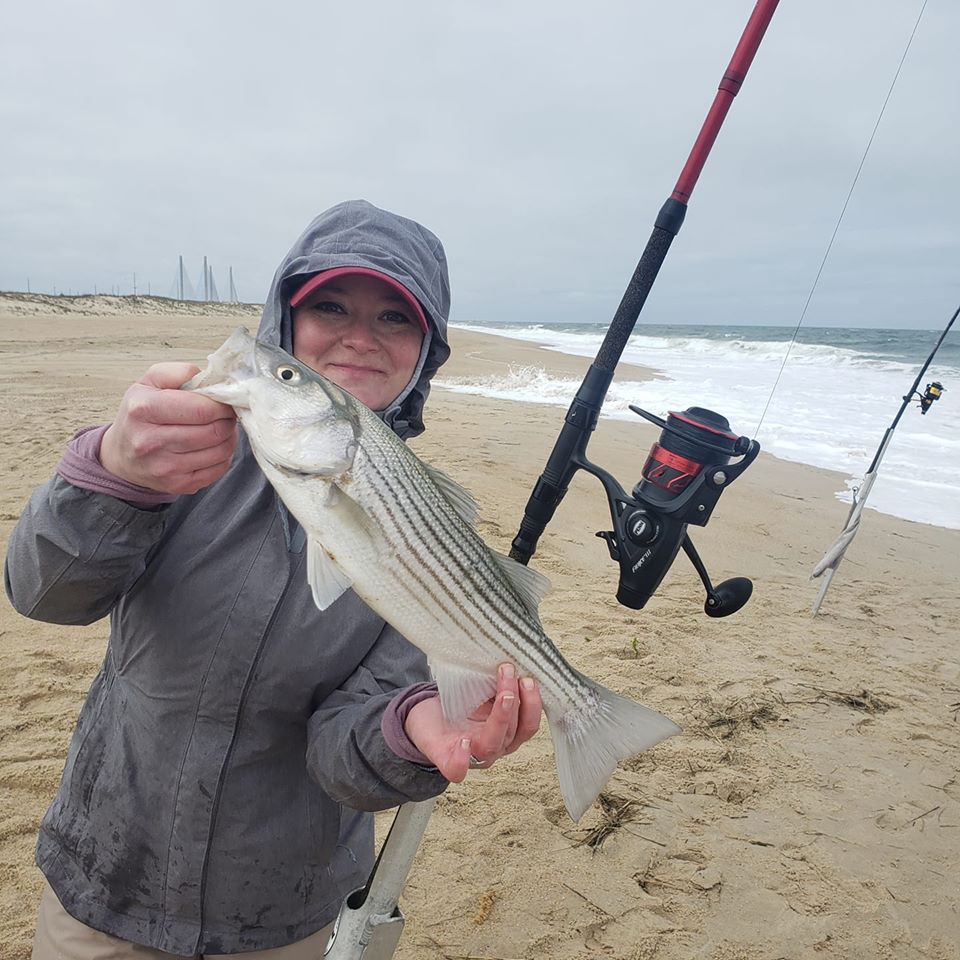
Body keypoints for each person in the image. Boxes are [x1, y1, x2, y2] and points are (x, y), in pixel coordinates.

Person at [5, 199, 543, 959]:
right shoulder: (174, 453)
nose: (360, 336)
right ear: (282, 318)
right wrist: (111, 474)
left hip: (279, 911)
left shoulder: (423, 537)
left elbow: (345, 754)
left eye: (396, 318)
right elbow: (45, 594)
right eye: (329, 306)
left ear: (427, 349)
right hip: (105, 880)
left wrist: (411, 732)